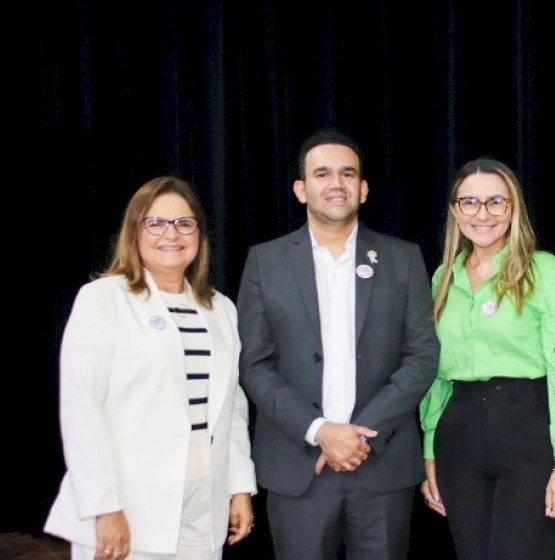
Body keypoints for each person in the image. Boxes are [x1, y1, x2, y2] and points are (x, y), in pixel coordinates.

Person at [237, 128, 440, 560]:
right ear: (300, 188)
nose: (336, 184)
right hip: (299, 465)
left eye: (348, 175)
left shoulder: (403, 259)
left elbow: (422, 356)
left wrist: (360, 436)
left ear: (363, 190)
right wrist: (320, 432)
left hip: (380, 463)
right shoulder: (264, 261)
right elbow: (255, 364)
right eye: (322, 173)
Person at [44, 177, 257, 560]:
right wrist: (104, 506)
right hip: (127, 504)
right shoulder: (102, 300)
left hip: (202, 504)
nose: (171, 234)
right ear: (134, 232)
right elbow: (81, 410)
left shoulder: (221, 309)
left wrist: (239, 487)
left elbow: (232, 408)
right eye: (156, 223)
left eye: (184, 223)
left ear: (199, 234)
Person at [418, 158, 555, 559]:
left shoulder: (545, 273)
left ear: (513, 208)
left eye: (496, 202)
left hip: (528, 432)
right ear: (454, 210)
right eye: (470, 202)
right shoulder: (443, 278)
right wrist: (430, 450)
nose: (483, 214)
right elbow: (433, 375)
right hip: (457, 437)